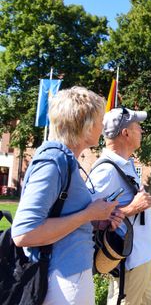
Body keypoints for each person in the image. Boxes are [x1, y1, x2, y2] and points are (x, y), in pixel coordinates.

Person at [11, 87, 122, 305]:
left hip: (69, 276)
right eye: (100, 120)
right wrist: (87, 214)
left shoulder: (64, 160)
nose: (103, 127)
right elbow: (24, 233)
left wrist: (95, 220)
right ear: (87, 125)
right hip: (61, 281)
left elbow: (60, 214)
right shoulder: (53, 161)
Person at [88, 107, 151, 305]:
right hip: (129, 263)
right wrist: (131, 209)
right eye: (138, 127)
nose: (142, 131)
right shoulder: (105, 171)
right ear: (125, 133)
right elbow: (87, 217)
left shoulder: (125, 165)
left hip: (143, 255)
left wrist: (147, 240)